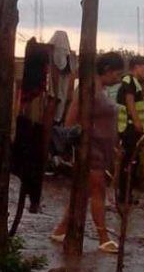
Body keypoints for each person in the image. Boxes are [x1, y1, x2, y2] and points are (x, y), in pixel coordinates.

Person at [50, 51, 125, 253]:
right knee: (97, 192)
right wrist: (80, 143)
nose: (118, 79)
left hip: (102, 149)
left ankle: (60, 230)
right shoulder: (88, 89)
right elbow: (71, 118)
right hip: (92, 150)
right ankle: (103, 237)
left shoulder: (101, 89)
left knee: (82, 193)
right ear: (107, 70)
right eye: (117, 75)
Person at [116, 54, 144, 204]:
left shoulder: (135, 83)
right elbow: (130, 102)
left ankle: (126, 193)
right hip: (129, 128)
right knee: (129, 162)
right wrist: (137, 122)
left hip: (132, 129)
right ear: (138, 67)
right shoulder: (129, 81)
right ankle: (124, 194)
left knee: (131, 161)